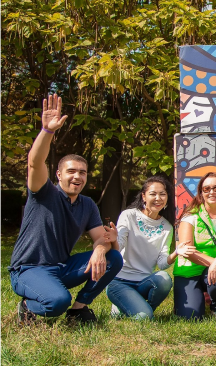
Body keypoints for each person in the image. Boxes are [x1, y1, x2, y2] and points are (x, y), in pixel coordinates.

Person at [9, 94, 123, 325]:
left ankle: (78, 309)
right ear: (59, 175)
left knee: (113, 257)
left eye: (82, 172)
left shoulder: (87, 204)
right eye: (71, 171)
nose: (77, 176)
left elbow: (100, 239)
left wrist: (101, 249)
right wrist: (47, 131)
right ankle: (27, 306)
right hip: (28, 270)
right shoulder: (44, 193)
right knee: (57, 302)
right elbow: (34, 162)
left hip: (61, 268)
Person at [106, 176, 177, 320]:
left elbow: (162, 264)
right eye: (153, 194)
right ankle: (136, 308)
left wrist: (176, 253)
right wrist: (113, 242)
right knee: (143, 318)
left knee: (164, 279)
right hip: (119, 281)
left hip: (144, 282)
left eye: (162, 194)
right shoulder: (129, 215)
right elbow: (119, 247)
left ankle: (134, 307)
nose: (158, 198)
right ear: (144, 196)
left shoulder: (167, 227)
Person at [173, 172, 216, 320]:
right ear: (201, 192)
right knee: (192, 318)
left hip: (213, 270)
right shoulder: (190, 214)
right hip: (188, 271)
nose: (212, 192)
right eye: (206, 189)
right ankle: (187, 301)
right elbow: (188, 251)